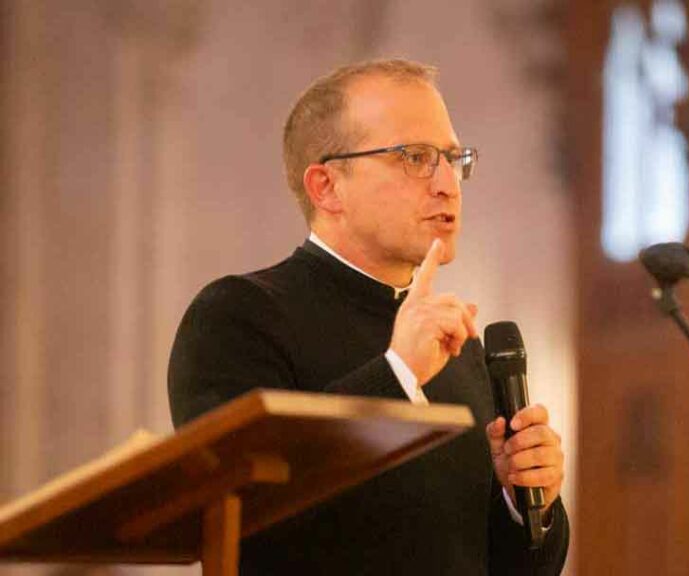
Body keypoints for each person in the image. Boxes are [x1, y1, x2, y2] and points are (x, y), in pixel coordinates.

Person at [167, 59, 569, 574]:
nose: (448, 183)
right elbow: (244, 510)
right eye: (416, 157)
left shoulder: (460, 349)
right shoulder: (237, 317)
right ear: (326, 187)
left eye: (453, 158)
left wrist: (524, 502)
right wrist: (398, 375)